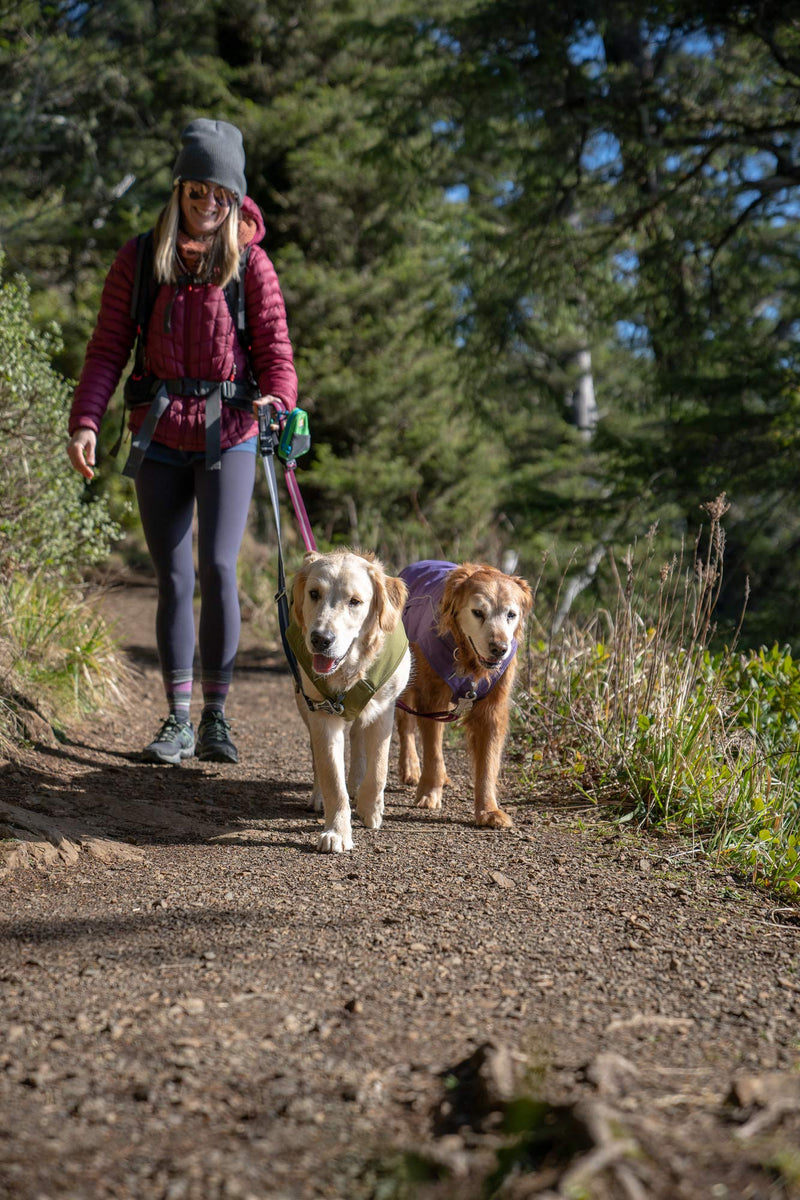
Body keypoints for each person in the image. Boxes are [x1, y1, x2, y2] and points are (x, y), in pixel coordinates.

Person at [67, 117, 298, 766]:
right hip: (158, 431)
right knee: (173, 576)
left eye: (219, 194)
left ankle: (217, 719)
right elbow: (108, 348)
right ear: (180, 189)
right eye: (197, 191)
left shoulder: (251, 265)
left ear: (234, 198)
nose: (207, 204)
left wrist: (279, 402)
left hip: (231, 433)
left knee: (219, 569)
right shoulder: (140, 258)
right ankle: (177, 718)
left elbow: (275, 352)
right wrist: (86, 419)